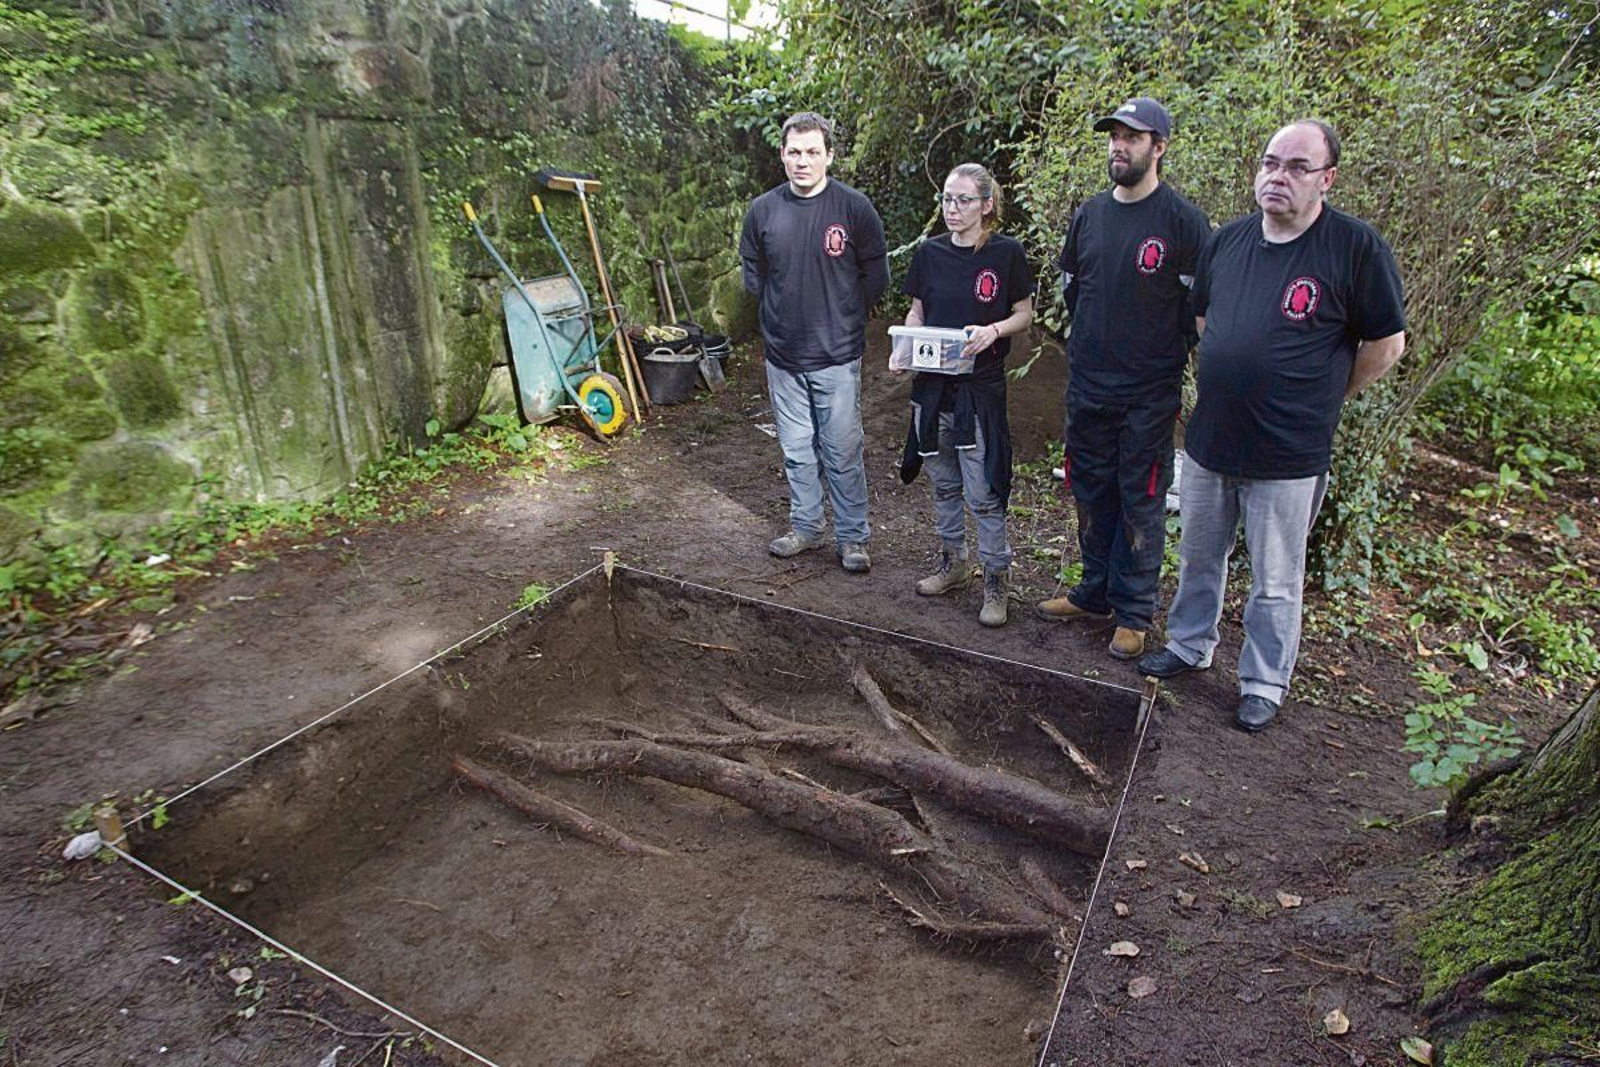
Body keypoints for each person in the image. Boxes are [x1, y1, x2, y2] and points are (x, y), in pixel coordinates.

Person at [1136, 119, 1406, 733]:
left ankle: (1262, 682)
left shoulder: (1354, 248)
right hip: (1212, 439)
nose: (1277, 176)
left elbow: (1386, 345)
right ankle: (1189, 645)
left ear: (1326, 179)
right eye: (1269, 163)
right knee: (1201, 555)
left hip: (1288, 452)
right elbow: (1204, 320)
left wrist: (1322, 394)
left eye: (1296, 167)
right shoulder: (1227, 242)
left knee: (1277, 580)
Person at [1037, 97, 1211, 662]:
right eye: (1114, 136)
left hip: (1148, 394)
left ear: (1158, 147)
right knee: (1090, 489)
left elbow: (1198, 309)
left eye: (1132, 137)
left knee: (1142, 498)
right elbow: (1072, 290)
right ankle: (1094, 592)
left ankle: (1134, 612)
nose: (1119, 145)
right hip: (1089, 385)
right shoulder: (1089, 215)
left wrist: (1158, 354)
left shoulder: (1182, 223)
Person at [739, 111, 890, 573]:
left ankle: (853, 538)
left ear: (829, 155)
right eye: (794, 152)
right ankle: (805, 526)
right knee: (797, 449)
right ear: (781, 155)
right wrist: (780, 316)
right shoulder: (764, 211)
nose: (802, 161)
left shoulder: (853, 209)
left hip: (837, 355)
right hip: (783, 356)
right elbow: (753, 273)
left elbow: (876, 276)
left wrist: (841, 315)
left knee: (842, 449)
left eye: (811, 152)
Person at [897, 163, 1035, 626]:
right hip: (933, 389)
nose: (952, 210)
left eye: (963, 201)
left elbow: (1024, 314)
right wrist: (905, 347)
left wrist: (993, 329)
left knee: (985, 489)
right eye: (947, 200)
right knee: (944, 483)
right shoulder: (930, 253)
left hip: (980, 389)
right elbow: (916, 312)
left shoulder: (1006, 254)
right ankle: (952, 562)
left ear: (986, 205)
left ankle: (996, 578)